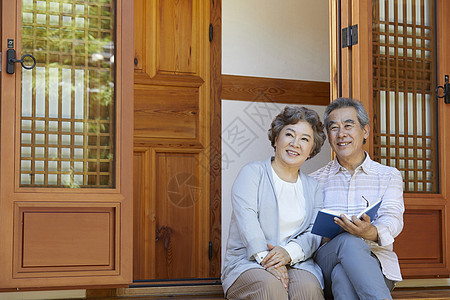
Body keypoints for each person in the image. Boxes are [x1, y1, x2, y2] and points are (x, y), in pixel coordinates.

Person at [221, 106, 327, 300]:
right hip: (249, 261)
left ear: (312, 149)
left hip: (297, 262)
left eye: (305, 139)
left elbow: (314, 232)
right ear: (277, 137)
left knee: (308, 290)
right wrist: (270, 262)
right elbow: (248, 223)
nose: (295, 144)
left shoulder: (314, 187)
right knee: (271, 288)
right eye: (289, 134)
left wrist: (288, 254)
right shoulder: (252, 174)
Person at [311, 97, 405, 300]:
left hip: (376, 263)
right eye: (334, 128)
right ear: (328, 135)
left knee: (343, 277)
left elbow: (393, 219)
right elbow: (306, 229)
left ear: (365, 131)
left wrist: (371, 231)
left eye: (348, 125)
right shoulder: (314, 181)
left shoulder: (389, 175)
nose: (341, 134)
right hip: (328, 258)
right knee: (349, 241)